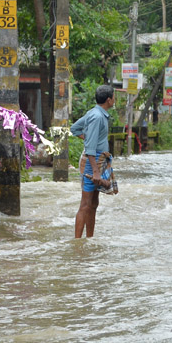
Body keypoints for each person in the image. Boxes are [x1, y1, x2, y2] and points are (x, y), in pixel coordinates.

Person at [70, 85, 116, 239]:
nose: (114, 100)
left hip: (98, 159)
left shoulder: (95, 113)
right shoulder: (97, 117)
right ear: (109, 100)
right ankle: (77, 242)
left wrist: (89, 138)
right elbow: (90, 147)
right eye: (114, 97)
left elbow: (75, 129)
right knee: (85, 204)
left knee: (94, 204)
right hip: (93, 161)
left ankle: (89, 239)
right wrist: (96, 171)